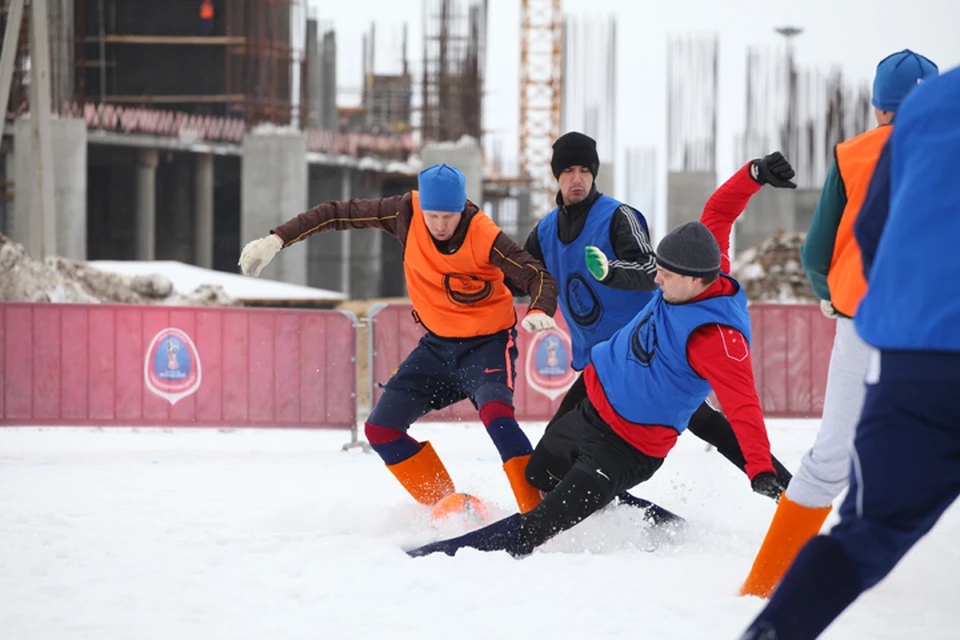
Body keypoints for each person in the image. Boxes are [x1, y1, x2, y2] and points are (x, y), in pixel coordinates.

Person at [407, 153, 793, 558]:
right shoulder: (703, 264)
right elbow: (718, 210)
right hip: (592, 394)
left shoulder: (715, 339)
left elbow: (743, 404)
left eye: (665, 275)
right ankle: (620, 508)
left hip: (627, 445)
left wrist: (761, 469)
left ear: (697, 280)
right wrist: (754, 174)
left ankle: (431, 555)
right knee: (540, 475)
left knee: (537, 529)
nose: (656, 279)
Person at [739, 64, 960, 640]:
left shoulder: (878, 140)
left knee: (841, 472)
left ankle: (766, 590)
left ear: (878, 104)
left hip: (892, 333)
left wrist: (836, 297)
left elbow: (838, 242)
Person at [238, 164, 560, 513]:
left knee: (497, 416)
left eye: (448, 217)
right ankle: (448, 506)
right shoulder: (404, 212)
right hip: (436, 349)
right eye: (432, 215)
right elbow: (335, 214)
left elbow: (536, 276)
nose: (439, 225)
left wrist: (540, 309)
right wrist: (276, 239)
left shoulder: (484, 234)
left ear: (462, 208)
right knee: (380, 429)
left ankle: (542, 512)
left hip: (487, 345)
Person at [515, 132, 794, 500]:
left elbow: (650, 266)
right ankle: (787, 490)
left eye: (585, 169)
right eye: (568, 170)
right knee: (704, 423)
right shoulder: (546, 231)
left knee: (707, 423)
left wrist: (611, 271)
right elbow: (521, 274)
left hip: (649, 356)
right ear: (556, 175)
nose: (577, 178)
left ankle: (788, 492)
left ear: (595, 174)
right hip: (603, 362)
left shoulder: (617, 217)